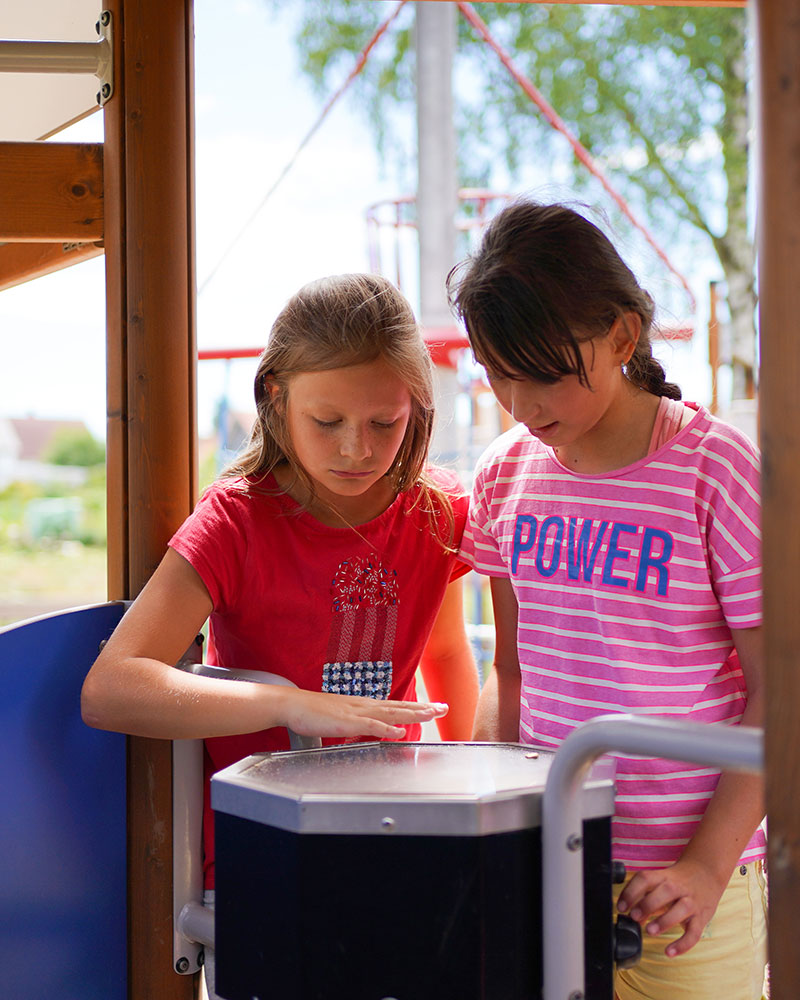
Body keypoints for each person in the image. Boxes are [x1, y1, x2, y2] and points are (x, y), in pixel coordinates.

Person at [82, 272, 479, 997]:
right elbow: (112, 687)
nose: (357, 449)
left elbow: (449, 656)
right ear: (275, 398)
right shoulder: (236, 522)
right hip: (263, 854)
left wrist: (470, 812)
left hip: (400, 843)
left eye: (383, 424)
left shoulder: (439, 512)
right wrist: (289, 705)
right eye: (327, 422)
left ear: (416, 410)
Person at [447, 201, 767, 1000]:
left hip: (689, 886)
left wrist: (704, 866)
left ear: (623, 338)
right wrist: (494, 827)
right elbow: (510, 672)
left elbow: (781, 692)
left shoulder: (716, 471)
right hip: (552, 856)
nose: (519, 403)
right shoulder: (505, 473)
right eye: (498, 374)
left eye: (545, 373)